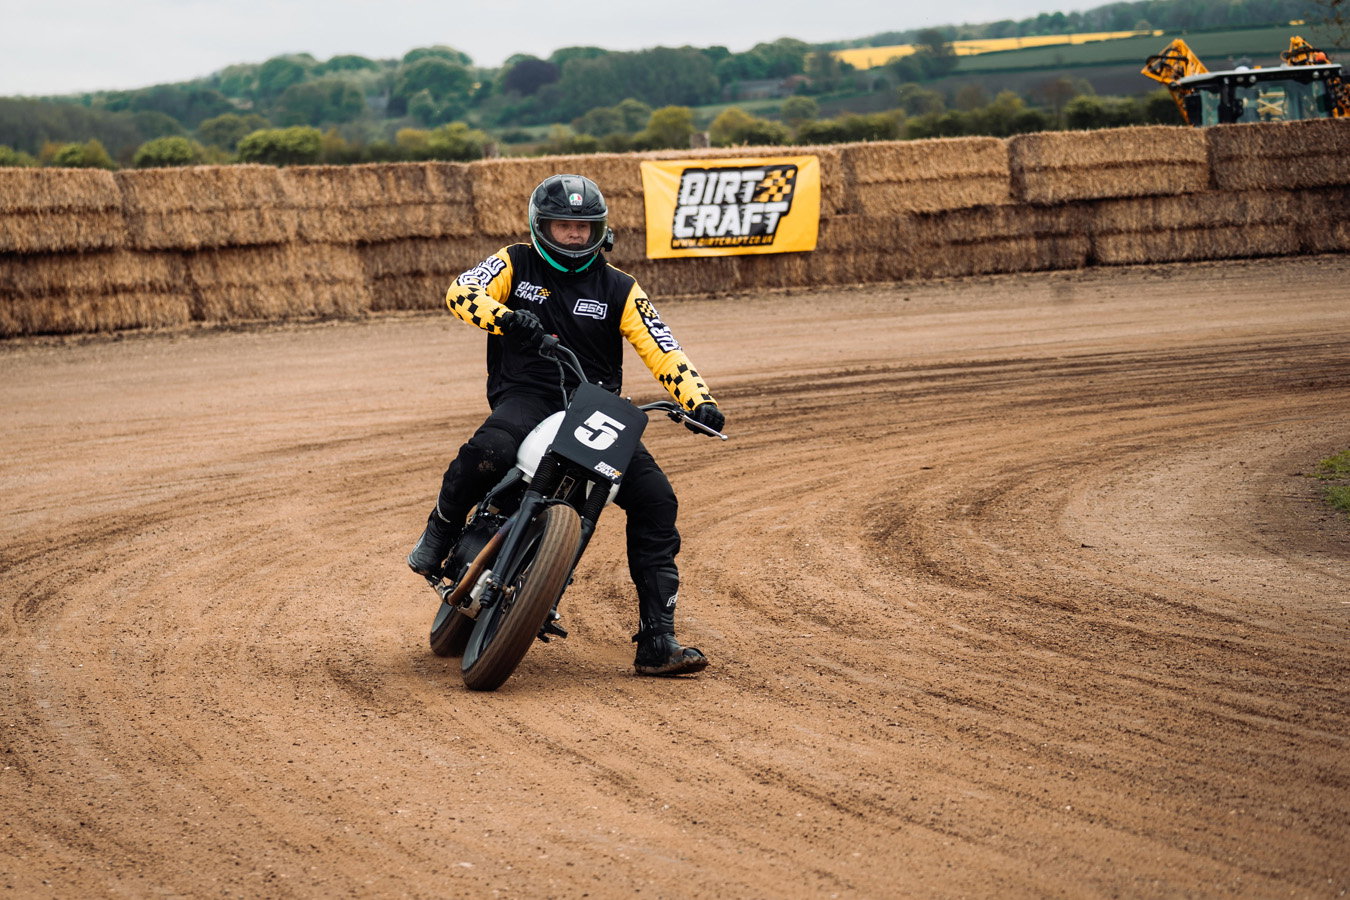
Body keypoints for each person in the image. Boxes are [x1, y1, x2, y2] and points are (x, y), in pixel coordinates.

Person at [408, 173, 725, 677]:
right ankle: (440, 534)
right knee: (486, 452)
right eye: (564, 226)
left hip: (597, 406)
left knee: (658, 501)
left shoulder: (621, 287)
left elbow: (662, 347)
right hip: (527, 393)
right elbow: (460, 292)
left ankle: (657, 641)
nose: (575, 235)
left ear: (600, 229)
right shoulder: (515, 262)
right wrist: (504, 317)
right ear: (542, 226)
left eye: (584, 226)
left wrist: (698, 400)